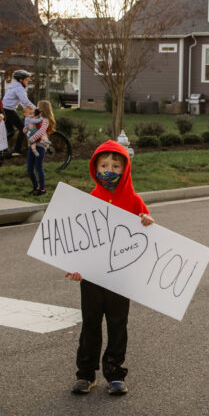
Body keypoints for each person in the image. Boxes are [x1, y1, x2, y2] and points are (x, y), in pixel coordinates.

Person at [66, 140, 155, 396]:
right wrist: (75, 267)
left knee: (118, 325)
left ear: (125, 168)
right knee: (90, 324)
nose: (109, 170)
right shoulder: (89, 200)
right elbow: (79, 239)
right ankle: (85, 374)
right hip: (92, 277)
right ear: (95, 168)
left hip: (121, 278)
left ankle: (115, 373)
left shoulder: (134, 201)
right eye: (104, 165)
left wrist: (147, 221)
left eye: (115, 166)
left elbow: (147, 233)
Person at [25, 100, 55, 195]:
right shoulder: (35, 117)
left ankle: (42, 189)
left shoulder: (45, 121)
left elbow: (41, 132)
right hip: (32, 145)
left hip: (40, 146)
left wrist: (32, 138)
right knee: (29, 169)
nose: (36, 108)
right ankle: (35, 187)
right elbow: (30, 127)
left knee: (38, 167)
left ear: (42, 109)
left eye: (38, 106)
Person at [2, 69, 34, 155]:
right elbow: (26, 102)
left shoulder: (14, 87)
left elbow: (21, 103)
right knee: (23, 128)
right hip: (8, 111)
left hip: (4, 110)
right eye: (26, 79)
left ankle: (1, 149)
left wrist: (28, 110)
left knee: (11, 132)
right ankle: (17, 149)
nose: (28, 81)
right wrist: (36, 109)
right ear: (21, 80)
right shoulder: (19, 88)